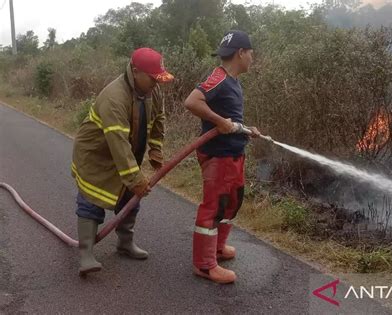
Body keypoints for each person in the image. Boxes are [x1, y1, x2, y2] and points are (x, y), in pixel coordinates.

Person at [72, 47, 173, 276]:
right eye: (153, 79)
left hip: (125, 152)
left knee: (130, 198)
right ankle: (86, 253)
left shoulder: (152, 91)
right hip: (96, 155)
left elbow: (159, 119)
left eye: (159, 79)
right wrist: (135, 178)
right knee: (92, 199)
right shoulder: (114, 97)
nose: (157, 84)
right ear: (135, 72)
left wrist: (156, 148)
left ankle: (125, 243)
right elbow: (117, 142)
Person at [184, 30, 260, 284]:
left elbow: (231, 119)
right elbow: (192, 102)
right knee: (213, 207)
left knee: (231, 203)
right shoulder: (219, 78)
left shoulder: (234, 81)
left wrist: (247, 130)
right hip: (218, 156)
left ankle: (216, 248)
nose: (252, 58)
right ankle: (204, 265)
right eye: (251, 53)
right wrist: (218, 121)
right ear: (241, 53)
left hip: (233, 154)